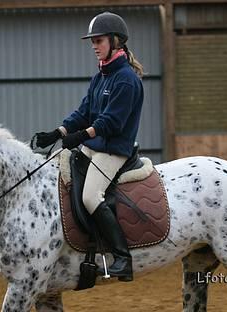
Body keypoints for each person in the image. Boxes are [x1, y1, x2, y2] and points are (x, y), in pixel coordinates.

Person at [34, 11, 144, 282]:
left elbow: (111, 122)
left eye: (99, 40)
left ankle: (122, 259)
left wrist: (80, 136)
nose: (94, 45)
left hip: (114, 150)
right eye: (92, 41)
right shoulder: (100, 76)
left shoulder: (126, 79)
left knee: (90, 196)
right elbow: (84, 112)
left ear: (116, 41)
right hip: (94, 145)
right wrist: (58, 132)